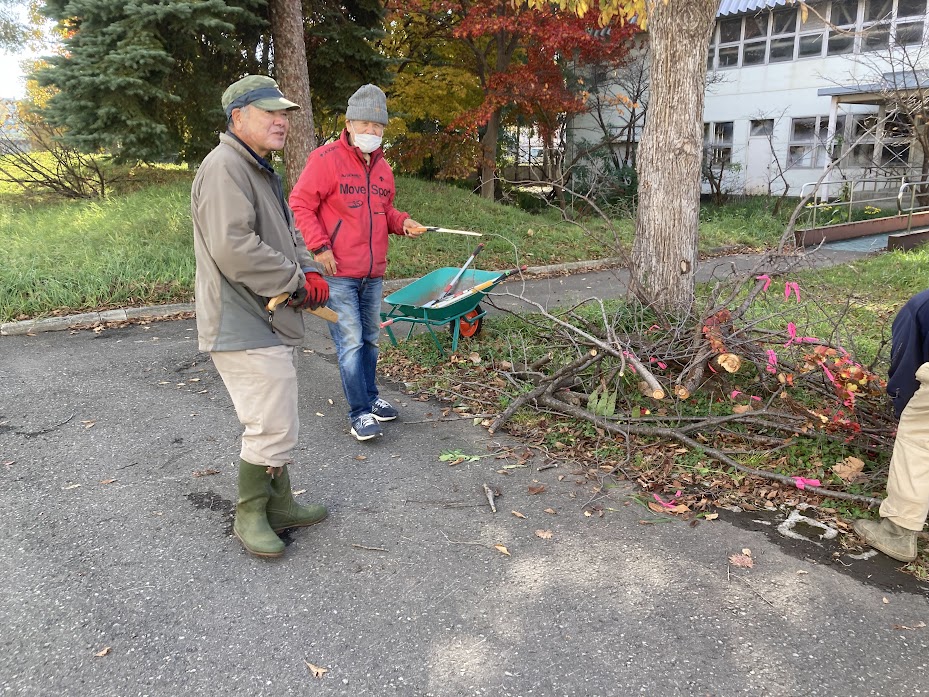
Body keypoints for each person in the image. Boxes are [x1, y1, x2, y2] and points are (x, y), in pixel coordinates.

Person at [191, 74, 331, 558]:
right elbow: (234, 248)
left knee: (277, 414)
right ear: (238, 117)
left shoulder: (259, 168)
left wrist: (308, 271)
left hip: (264, 316)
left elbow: (289, 235)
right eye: (269, 112)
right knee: (270, 423)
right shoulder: (224, 167)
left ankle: (281, 505)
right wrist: (294, 281)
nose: (281, 121)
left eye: (284, 113)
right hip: (240, 318)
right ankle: (249, 514)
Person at [290, 84, 424, 441]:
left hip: (373, 273)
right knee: (350, 343)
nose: (371, 131)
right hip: (339, 273)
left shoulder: (383, 169)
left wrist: (403, 222)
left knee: (370, 340)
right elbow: (300, 204)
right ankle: (359, 413)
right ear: (348, 124)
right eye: (365, 124)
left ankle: (371, 397)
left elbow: (385, 210)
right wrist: (319, 248)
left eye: (378, 126)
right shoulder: (325, 159)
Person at [854, 289, 929, 562]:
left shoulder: (921, 305)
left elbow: (905, 365)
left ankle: (898, 532)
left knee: (919, 442)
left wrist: (902, 406)